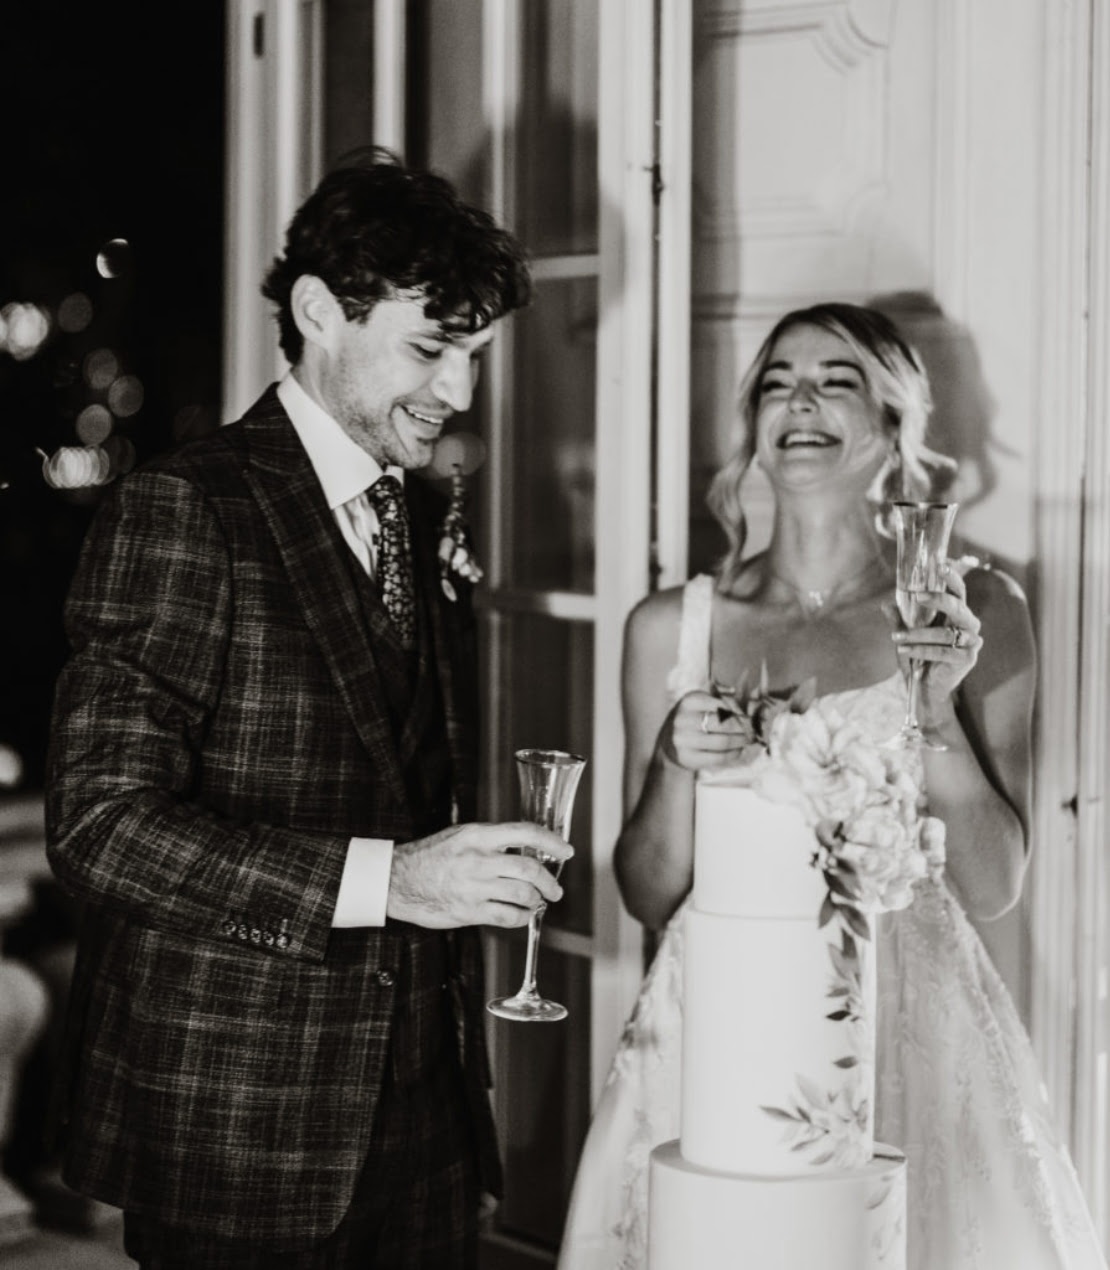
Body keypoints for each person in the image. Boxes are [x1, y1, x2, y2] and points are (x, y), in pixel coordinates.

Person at [44, 148, 573, 1270]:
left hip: (427, 1116)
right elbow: (101, 825)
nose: (460, 393)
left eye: (475, 356)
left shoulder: (416, 511)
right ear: (321, 312)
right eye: (430, 349)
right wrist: (397, 881)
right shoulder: (184, 507)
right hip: (237, 1120)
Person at [557, 303, 1107, 1269]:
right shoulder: (670, 626)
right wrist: (675, 764)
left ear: (896, 424)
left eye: (834, 381)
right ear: (753, 431)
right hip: (724, 1027)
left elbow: (992, 887)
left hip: (909, 1021)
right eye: (776, 383)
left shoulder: (976, 609)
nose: (799, 401)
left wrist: (936, 712)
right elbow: (646, 894)